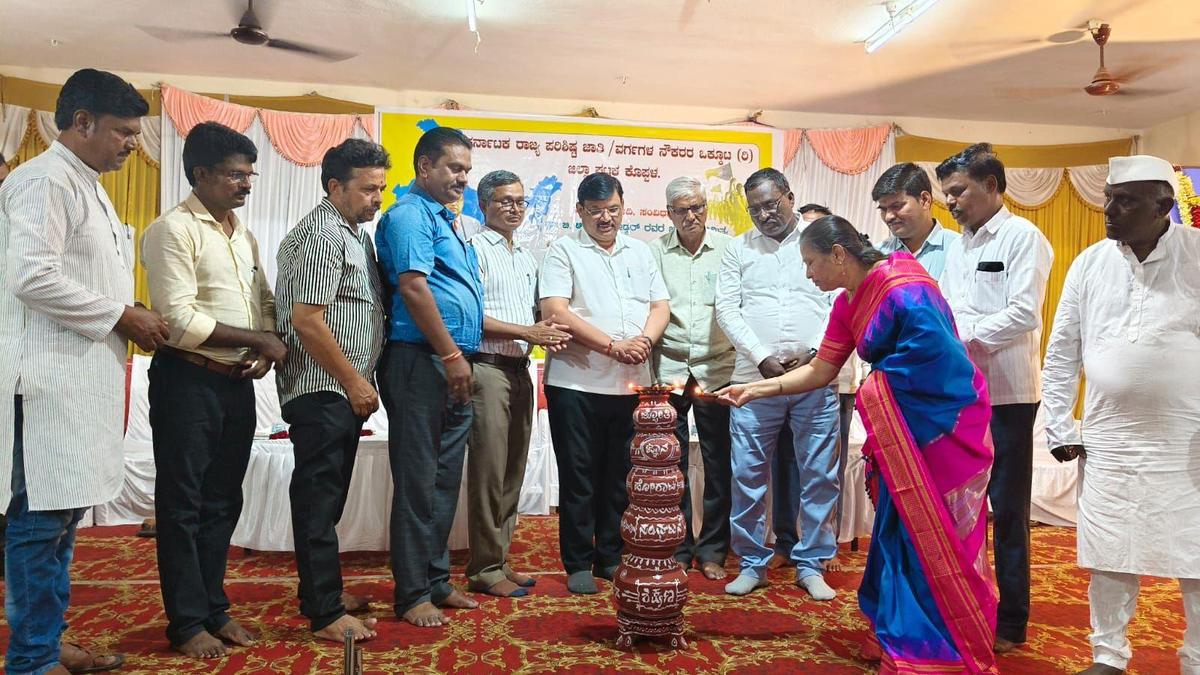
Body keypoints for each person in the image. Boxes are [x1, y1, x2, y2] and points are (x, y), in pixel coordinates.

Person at [716, 215, 999, 674]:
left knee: (937, 534)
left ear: (838, 255)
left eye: (811, 263)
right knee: (902, 533)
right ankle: (905, 638)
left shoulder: (905, 288)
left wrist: (876, 388)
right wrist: (754, 390)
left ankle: (948, 646)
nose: (808, 273)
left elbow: (943, 362)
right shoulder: (848, 303)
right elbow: (820, 370)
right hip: (902, 435)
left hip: (943, 428)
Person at [0, 67, 165, 675]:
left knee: (64, 520)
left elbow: (82, 278)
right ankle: (32, 659)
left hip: (78, 379)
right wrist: (122, 314)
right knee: (40, 522)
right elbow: (32, 276)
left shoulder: (85, 183)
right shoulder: (43, 181)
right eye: (123, 131)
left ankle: (49, 643)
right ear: (82, 122)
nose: (131, 144)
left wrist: (125, 309)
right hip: (45, 382)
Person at [1041, 155, 1200, 675]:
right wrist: (1060, 424)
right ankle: (1108, 656)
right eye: (1108, 197)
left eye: (1125, 201)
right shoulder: (1090, 263)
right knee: (1110, 550)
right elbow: (1062, 351)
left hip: (1187, 439)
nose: (1108, 209)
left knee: (1196, 554)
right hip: (1109, 435)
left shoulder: (1197, 255)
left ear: (1163, 206)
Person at [142, 121, 282, 659]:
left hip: (234, 383)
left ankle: (214, 608)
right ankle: (186, 623)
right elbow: (178, 320)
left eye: (249, 175)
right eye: (234, 175)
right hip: (187, 380)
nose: (246, 184)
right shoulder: (172, 229)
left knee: (224, 500)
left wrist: (264, 342)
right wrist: (259, 340)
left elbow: (263, 299)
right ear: (200, 174)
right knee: (184, 504)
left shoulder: (240, 232)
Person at [937, 143, 1053, 653]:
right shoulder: (956, 246)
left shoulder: (1023, 237)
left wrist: (959, 341)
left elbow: (1023, 313)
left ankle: (1011, 621)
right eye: (946, 194)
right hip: (961, 393)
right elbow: (948, 307)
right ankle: (967, 607)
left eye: (958, 191)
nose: (951, 202)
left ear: (991, 186)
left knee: (1006, 511)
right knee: (960, 508)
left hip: (1007, 395)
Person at [274, 138, 391, 643]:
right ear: (335, 186)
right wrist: (353, 380)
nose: (377, 198)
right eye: (367, 189)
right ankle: (323, 613)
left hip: (338, 390)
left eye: (381, 188)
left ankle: (322, 593)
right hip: (322, 388)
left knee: (329, 501)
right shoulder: (323, 234)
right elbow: (307, 320)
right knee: (318, 502)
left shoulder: (351, 233)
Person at [539, 172, 669, 595]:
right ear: (580, 211)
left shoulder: (640, 252)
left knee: (619, 476)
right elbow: (556, 311)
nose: (605, 218)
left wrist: (645, 341)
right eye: (596, 211)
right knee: (579, 476)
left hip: (630, 384)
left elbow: (660, 306)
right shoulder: (563, 251)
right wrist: (613, 346)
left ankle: (610, 556)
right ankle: (578, 562)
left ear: (623, 207)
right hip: (576, 385)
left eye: (613, 209)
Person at [715, 168, 839, 600]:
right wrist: (761, 358)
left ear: (790, 196)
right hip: (754, 381)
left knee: (819, 474)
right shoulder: (738, 249)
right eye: (755, 209)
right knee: (747, 474)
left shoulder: (820, 238)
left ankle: (812, 563)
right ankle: (752, 563)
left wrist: (815, 352)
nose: (764, 214)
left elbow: (838, 298)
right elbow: (727, 309)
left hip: (814, 378)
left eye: (771, 204)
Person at [375, 126, 482, 627]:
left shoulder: (447, 219)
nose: (463, 178)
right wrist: (451, 354)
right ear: (424, 167)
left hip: (450, 362)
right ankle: (412, 592)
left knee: (443, 481)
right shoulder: (409, 216)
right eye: (454, 168)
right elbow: (414, 288)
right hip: (421, 361)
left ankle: (436, 580)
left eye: (466, 169)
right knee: (418, 482)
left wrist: (458, 357)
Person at [465, 170, 570, 598]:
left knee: (513, 471)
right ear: (483, 205)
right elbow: (470, 316)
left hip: (520, 370)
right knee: (488, 472)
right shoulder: (473, 250)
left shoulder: (527, 256)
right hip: (486, 369)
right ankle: (483, 568)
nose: (514, 208)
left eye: (520, 201)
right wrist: (527, 332)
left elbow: (536, 317)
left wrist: (547, 331)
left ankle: (500, 560)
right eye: (504, 201)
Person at [649, 176, 735, 581]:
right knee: (672, 465)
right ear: (669, 213)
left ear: (706, 207)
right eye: (682, 209)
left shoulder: (729, 250)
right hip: (667, 369)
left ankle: (714, 550)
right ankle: (678, 548)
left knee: (719, 464)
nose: (691, 216)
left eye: (697, 207)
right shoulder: (653, 253)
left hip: (717, 369)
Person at [770, 200, 833, 569]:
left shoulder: (838, 272)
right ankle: (785, 542)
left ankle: (820, 551)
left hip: (828, 379)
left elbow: (836, 313)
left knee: (822, 469)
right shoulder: (776, 255)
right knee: (784, 465)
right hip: (778, 378)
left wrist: (813, 354)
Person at [873, 162, 959, 282]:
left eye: (896, 206)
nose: (888, 217)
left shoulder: (959, 248)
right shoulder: (877, 255)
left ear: (925, 200)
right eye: (883, 209)